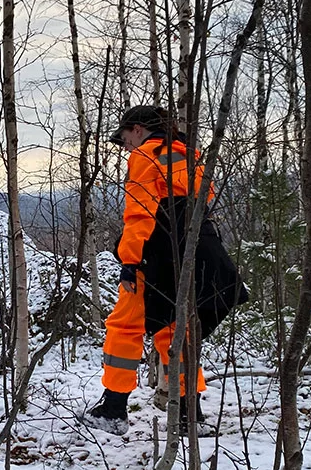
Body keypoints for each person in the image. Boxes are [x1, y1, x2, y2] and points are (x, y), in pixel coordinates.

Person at [81, 105, 215, 435]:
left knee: (124, 326)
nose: (126, 147)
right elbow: (204, 200)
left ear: (138, 130)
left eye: (126, 139)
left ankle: (113, 409)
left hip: (151, 257)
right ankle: (189, 414)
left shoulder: (147, 155)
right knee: (175, 330)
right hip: (191, 257)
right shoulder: (192, 155)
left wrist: (129, 261)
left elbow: (140, 214)